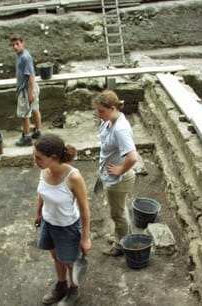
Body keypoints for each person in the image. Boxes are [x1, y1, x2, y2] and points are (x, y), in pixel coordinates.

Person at [33, 134, 91, 305]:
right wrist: (38, 213)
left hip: (67, 226)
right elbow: (42, 194)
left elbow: (84, 209)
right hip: (48, 223)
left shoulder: (73, 177)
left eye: (38, 158)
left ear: (53, 158)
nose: (34, 161)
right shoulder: (44, 170)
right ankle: (61, 286)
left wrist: (85, 237)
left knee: (70, 262)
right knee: (56, 256)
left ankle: (74, 289)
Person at [93, 90, 138, 256]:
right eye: (97, 111)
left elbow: (132, 157)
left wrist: (120, 169)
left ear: (112, 108)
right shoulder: (109, 121)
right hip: (112, 176)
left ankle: (121, 246)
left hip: (118, 179)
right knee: (120, 210)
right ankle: (123, 236)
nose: (98, 114)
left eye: (101, 111)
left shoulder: (120, 129)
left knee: (117, 214)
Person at [10, 34, 42, 146]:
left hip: (26, 89)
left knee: (24, 115)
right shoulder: (19, 55)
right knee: (35, 109)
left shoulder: (25, 57)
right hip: (27, 88)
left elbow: (30, 76)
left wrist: (30, 93)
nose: (15, 47)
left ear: (22, 43)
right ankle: (37, 131)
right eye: (13, 45)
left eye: (17, 44)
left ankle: (27, 137)